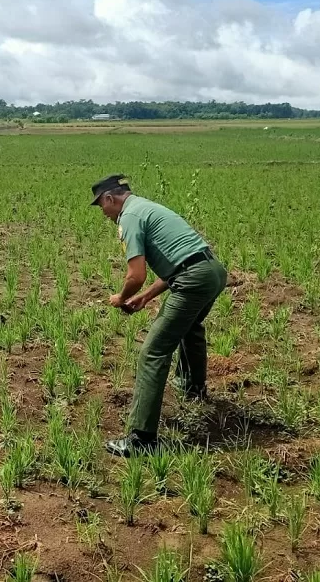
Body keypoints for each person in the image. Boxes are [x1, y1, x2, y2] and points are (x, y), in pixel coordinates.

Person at [90, 175, 228, 457]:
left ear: (109, 198)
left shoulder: (128, 217)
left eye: (101, 206)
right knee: (190, 328)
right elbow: (182, 262)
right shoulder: (146, 207)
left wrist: (122, 296)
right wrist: (145, 297)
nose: (103, 214)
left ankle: (142, 439)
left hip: (193, 279)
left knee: (153, 352)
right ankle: (193, 388)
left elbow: (136, 275)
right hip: (212, 271)